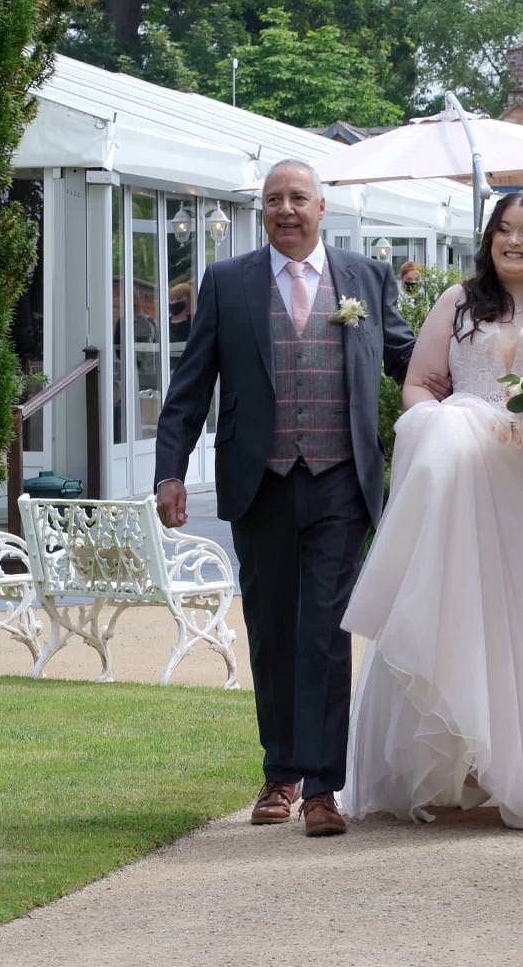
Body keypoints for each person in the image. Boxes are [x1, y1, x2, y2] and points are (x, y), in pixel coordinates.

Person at [338, 193, 523, 829]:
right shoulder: (457, 302)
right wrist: (443, 427)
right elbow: (420, 384)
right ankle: (460, 766)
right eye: (504, 230)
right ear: (489, 239)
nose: (515, 242)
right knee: (466, 607)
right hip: (470, 476)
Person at [154, 158, 417, 838]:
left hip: (341, 480)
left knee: (327, 632)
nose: (286, 209)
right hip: (260, 482)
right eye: (274, 200)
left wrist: (471, 389)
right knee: (272, 631)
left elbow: (406, 360)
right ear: (261, 211)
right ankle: (280, 774)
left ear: (322, 207)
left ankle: (324, 789)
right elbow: (190, 388)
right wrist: (169, 472)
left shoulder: (366, 277)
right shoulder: (229, 283)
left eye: (298, 197)